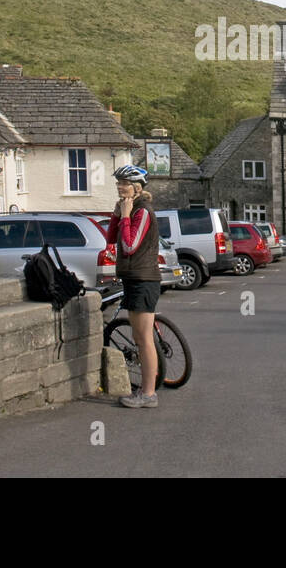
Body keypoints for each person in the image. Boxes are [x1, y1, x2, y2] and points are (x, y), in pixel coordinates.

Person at [106, 165, 161, 408]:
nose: (119, 187)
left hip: (143, 279)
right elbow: (111, 240)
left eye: (124, 183)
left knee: (143, 339)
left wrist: (127, 216)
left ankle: (148, 393)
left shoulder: (143, 212)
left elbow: (129, 246)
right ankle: (147, 391)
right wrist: (118, 214)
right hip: (133, 278)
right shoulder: (130, 208)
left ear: (137, 188)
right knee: (140, 337)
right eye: (118, 183)